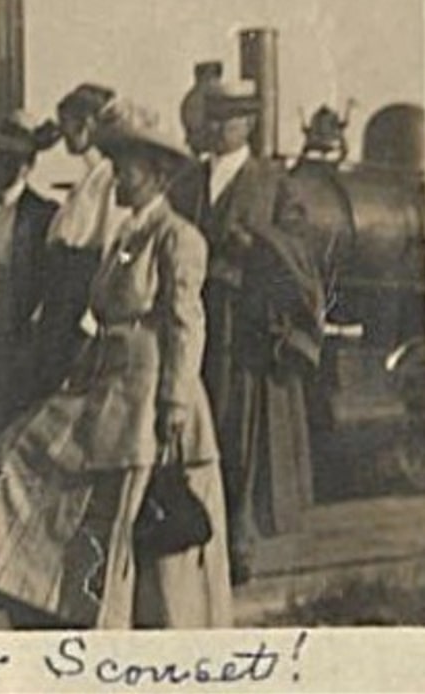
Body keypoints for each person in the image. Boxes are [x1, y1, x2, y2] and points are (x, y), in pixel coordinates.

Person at [0, 100, 232, 630]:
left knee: (145, 513)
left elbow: (186, 324)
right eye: (113, 166)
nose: (116, 178)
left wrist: (175, 403)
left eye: (127, 168)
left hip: (152, 392)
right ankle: (56, 595)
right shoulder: (125, 237)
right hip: (108, 383)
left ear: (156, 174)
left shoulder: (178, 238)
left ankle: (156, 626)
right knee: (21, 451)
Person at [170, 82, 324, 584]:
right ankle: (194, 537)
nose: (218, 125)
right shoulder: (188, 181)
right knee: (196, 423)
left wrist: (257, 245)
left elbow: (301, 252)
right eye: (213, 115)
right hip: (195, 319)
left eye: (230, 117)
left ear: (250, 124)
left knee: (240, 433)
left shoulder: (274, 183)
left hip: (245, 327)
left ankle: (239, 538)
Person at [0, 112, 60, 457]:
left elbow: (49, 279)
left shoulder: (42, 213)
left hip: (17, 325)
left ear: (28, 164)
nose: (4, 166)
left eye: (14, 159)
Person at [38, 84, 124, 396]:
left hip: (79, 299)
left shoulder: (109, 178)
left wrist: (89, 320)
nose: (62, 137)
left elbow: (109, 248)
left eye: (67, 126)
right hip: (61, 297)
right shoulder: (86, 180)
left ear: (87, 124)